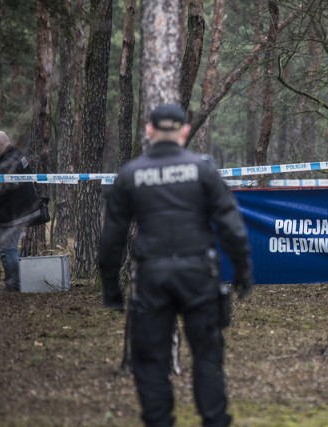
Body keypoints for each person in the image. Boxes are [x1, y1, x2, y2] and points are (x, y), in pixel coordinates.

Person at [98, 103, 253, 427]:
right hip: (199, 274)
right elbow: (232, 227)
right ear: (184, 131)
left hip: (152, 277)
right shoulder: (203, 170)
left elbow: (112, 237)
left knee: (150, 360)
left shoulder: (130, 175)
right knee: (208, 356)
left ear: (150, 131)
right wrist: (242, 274)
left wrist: (112, 289)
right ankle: (214, 421)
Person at [0, 131, 40, 292]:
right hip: (18, 209)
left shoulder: (10, 159)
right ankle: (23, 277)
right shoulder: (15, 155)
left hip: (15, 212)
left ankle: (14, 285)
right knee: (0, 244)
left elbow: (8, 186)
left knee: (6, 247)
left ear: (1, 144)